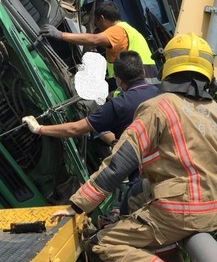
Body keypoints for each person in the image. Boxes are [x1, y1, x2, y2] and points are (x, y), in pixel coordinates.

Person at [50, 32, 217, 262]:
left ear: (167, 66)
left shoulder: (159, 107)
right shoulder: (214, 111)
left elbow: (119, 163)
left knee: (104, 242)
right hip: (211, 211)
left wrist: (77, 205)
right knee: (139, 194)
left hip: (177, 214)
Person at [22, 51, 160, 212]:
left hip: (144, 182)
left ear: (118, 79)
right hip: (175, 174)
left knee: (123, 217)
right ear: (143, 71)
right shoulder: (162, 93)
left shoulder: (119, 105)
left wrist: (39, 128)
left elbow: (75, 128)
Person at [40, 1, 158, 89]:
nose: (98, 28)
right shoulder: (129, 30)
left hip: (136, 85)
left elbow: (94, 39)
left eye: (97, 24)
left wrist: (60, 34)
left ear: (101, 18)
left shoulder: (117, 31)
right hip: (146, 84)